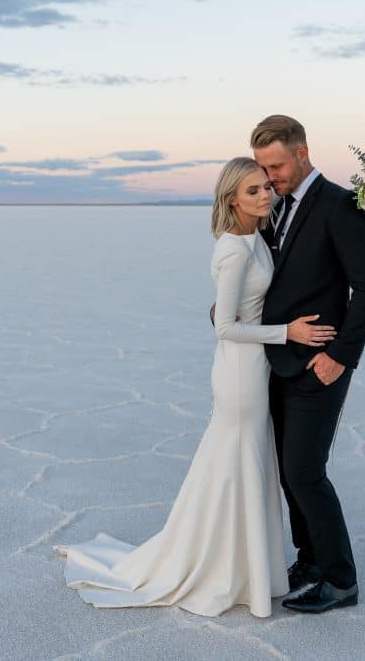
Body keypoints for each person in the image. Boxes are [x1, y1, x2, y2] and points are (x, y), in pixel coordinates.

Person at [55, 157, 337, 617]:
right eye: (253, 191)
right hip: (240, 373)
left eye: (266, 186)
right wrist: (288, 332)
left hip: (256, 367)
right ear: (232, 199)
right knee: (237, 462)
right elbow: (224, 326)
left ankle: (249, 570)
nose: (265, 195)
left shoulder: (255, 237)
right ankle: (222, 570)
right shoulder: (232, 249)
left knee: (245, 463)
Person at [252, 115, 365, 614]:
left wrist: (341, 357)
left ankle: (341, 579)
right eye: (263, 168)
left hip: (319, 366)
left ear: (303, 152)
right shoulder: (274, 208)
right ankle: (310, 561)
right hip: (276, 363)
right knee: (289, 473)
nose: (270, 176)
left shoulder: (339, 205)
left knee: (306, 471)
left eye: (277, 164)